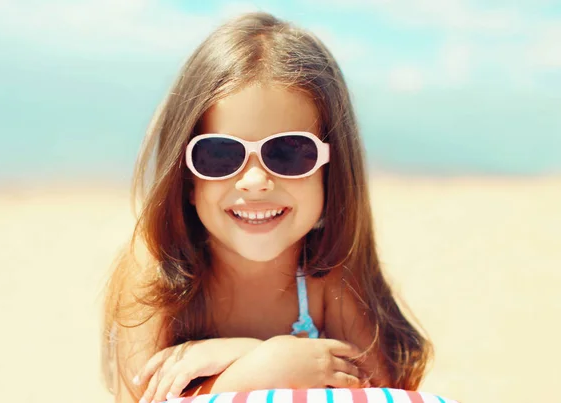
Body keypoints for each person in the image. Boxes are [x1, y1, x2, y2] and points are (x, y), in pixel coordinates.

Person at [101, 11, 432, 403]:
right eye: (220, 155)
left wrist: (244, 358)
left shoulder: (326, 271)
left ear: (332, 173)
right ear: (186, 180)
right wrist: (260, 364)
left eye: (289, 152)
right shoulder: (154, 273)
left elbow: (383, 393)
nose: (255, 181)